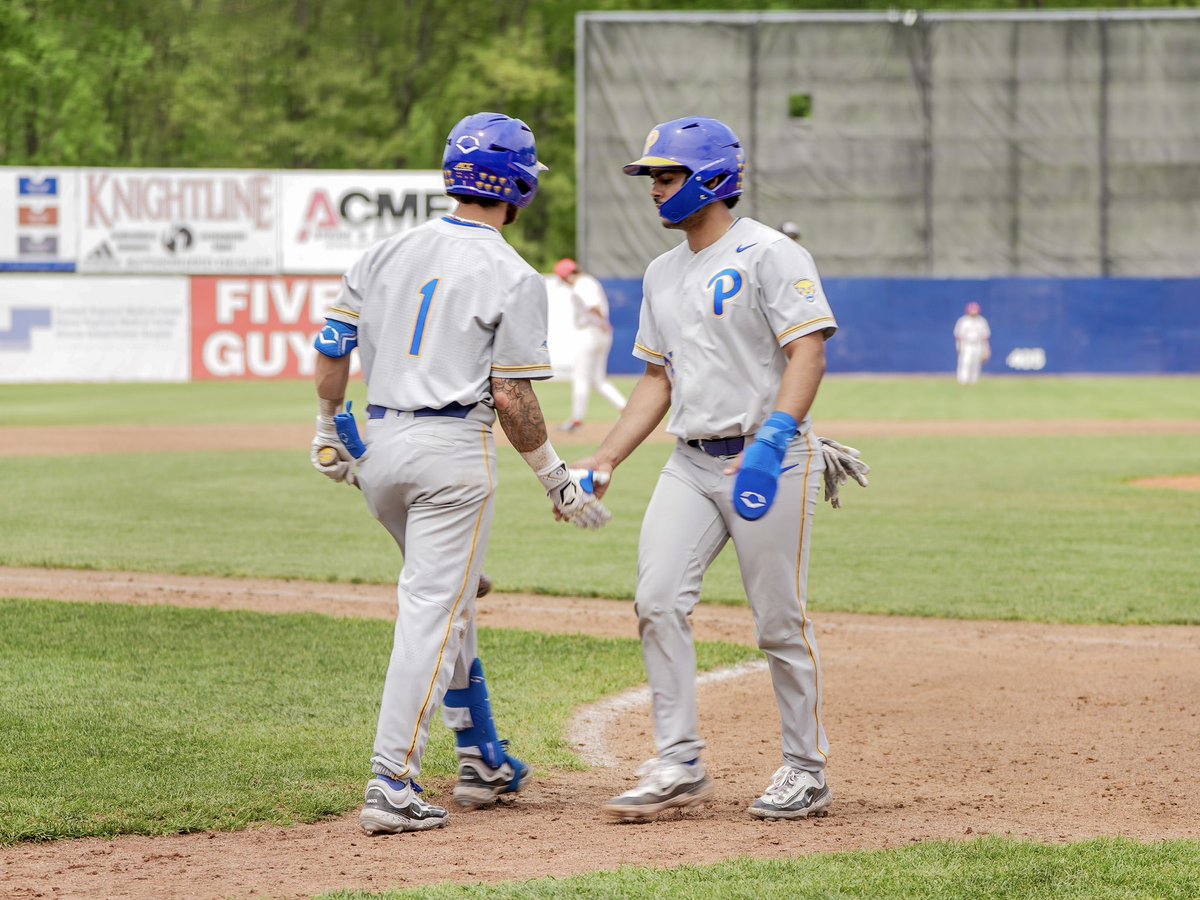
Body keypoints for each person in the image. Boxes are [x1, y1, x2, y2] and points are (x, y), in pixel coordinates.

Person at [309, 111, 610, 836]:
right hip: (451, 453)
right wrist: (556, 480)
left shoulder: (384, 249)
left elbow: (331, 342)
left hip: (378, 451)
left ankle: (481, 760)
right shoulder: (512, 272)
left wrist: (326, 425)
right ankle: (391, 782)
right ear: (520, 185)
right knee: (432, 615)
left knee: (452, 599)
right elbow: (512, 395)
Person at [575, 116, 839, 822]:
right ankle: (679, 761)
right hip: (690, 462)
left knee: (778, 622)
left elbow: (807, 352)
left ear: (713, 178)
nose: (654, 189)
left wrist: (776, 438)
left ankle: (806, 770)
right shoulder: (662, 272)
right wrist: (605, 456)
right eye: (652, 177)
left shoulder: (770, 254)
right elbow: (658, 380)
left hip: (768, 458)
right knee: (657, 600)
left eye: (667, 175)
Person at [554, 257, 627, 432]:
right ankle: (626, 409)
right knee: (598, 380)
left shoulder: (581, 284)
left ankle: (577, 420)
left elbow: (593, 306)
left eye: (563, 278)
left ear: (568, 275)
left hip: (590, 332)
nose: (564, 281)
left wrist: (602, 322)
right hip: (600, 332)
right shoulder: (589, 281)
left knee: (581, 377)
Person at [954, 301, 991, 385]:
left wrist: (986, 349)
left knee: (976, 363)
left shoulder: (981, 321)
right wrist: (959, 346)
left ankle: (973, 381)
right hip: (966, 344)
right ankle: (962, 381)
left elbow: (985, 336)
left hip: (978, 344)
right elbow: (959, 335)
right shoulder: (963, 321)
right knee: (965, 362)